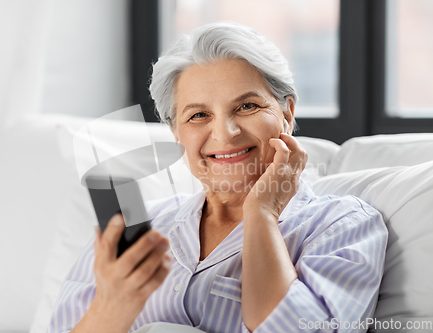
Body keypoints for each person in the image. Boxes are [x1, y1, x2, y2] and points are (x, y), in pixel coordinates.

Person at [47, 22, 388, 333]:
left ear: (286, 113)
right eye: (198, 115)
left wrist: (262, 213)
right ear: (176, 132)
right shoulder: (139, 229)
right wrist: (113, 307)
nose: (225, 134)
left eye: (247, 106)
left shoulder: (343, 224)